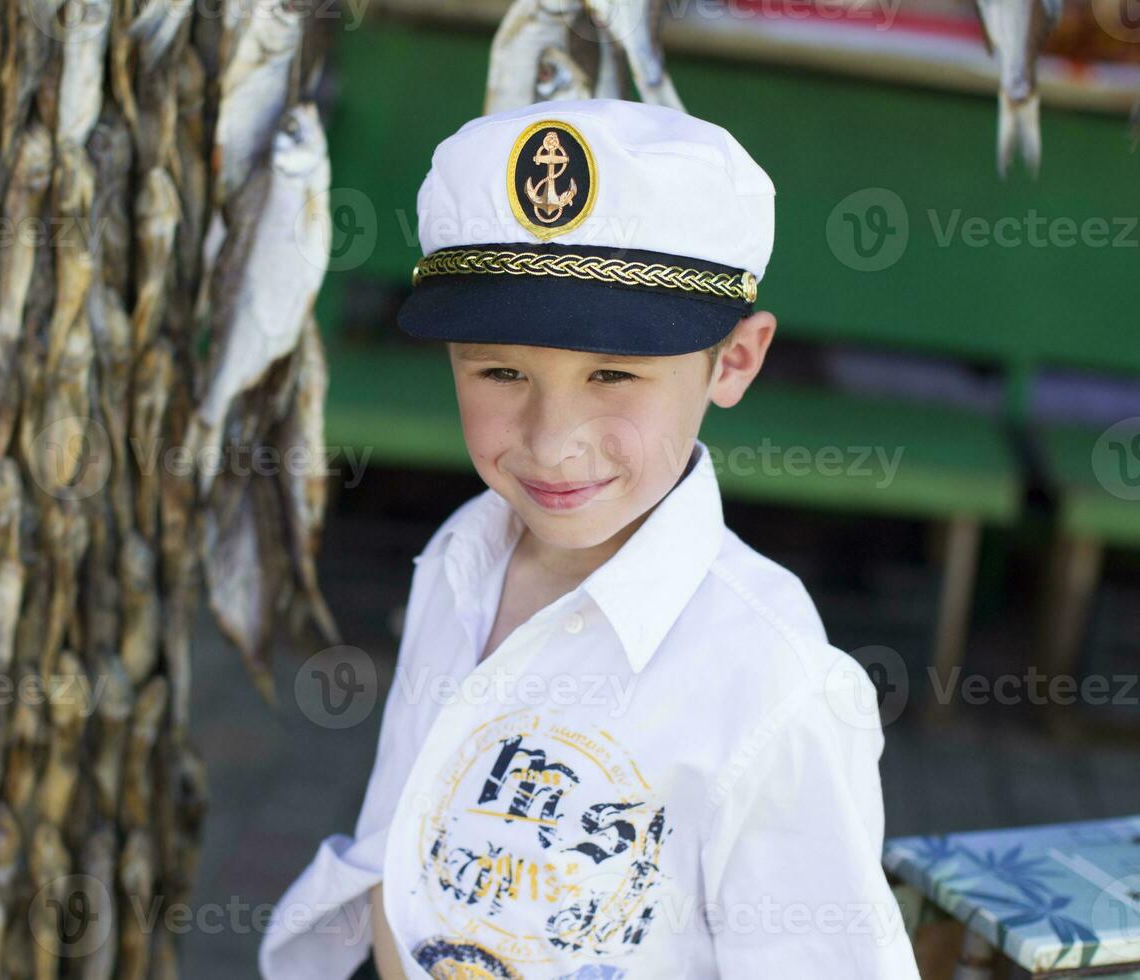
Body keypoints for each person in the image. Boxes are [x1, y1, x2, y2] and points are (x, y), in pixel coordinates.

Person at [259, 98, 921, 979]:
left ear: (735, 360)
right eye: (501, 371)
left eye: (612, 374)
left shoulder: (774, 689)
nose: (550, 439)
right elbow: (402, 848)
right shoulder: (465, 554)